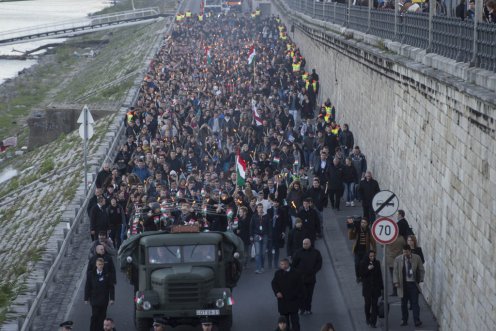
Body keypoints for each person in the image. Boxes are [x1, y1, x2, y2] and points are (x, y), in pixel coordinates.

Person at [393, 245, 425, 327]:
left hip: (413, 284)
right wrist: (396, 282)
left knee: (415, 303)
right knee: (404, 303)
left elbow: (421, 269)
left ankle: (417, 320)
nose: (404, 254)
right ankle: (404, 319)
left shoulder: (417, 258)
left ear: (409, 251)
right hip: (403, 284)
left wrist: (421, 279)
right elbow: (395, 271)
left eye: (406, 252)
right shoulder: (398, 259)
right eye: (403, 252)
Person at [271, 258, 304, 331]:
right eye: (281, 264)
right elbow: (274, 283)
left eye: (284, 264)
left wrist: (295, 296)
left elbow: (300, 286)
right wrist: (277, 292)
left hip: (293, 302)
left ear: (288, 264)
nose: (283, 266)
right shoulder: (278, 273)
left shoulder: (296, 273)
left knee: (295, 322)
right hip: (282, 302)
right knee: (284, 323)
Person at [291, 238, 322, 315]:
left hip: (311, 277)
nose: (304, 245)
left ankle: (308, 309)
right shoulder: (298, 252)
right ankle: (301, 309)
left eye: (306, 244)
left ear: (310, 244)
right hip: (300, 278)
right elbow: (294, 264)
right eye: (303, 244)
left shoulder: (316, 252)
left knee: (309, 295)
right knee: (301, 295)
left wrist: (314, 271)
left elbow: (319, 263)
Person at [84, 258, 115, 331]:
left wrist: (112, 298)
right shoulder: (91, 274)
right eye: (99, 264)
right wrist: (86, 298)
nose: (100, 266)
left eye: (101, 264)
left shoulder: (107, 274)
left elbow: (111, 287)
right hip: (94, 299)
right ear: (96, 265)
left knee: (102, 317)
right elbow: (87, 286)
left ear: (103, 265)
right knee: (95, 316)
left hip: (104, 299)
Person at [347, 217, 376, 283]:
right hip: (357, 251)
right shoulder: (357, 229)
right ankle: (358, 276)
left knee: (364, 264)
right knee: (357, 264)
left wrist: (374, 253)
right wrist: (351, 228)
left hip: (365, 251)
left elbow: (373, 243)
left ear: (367, 224)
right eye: (362, 222)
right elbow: (350, 237)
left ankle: (363, 276)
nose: (362, 224)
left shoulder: (368, 231)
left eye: (364, 223)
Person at [359, 250, 383, 328]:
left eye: (373, 256)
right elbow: (361, 275)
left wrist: (382, 287)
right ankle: (367, 317)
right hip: (367, 288)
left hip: (375, 288)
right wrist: (368, 269)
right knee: (368, 304)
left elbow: (380, 276)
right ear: (368, 256)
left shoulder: (377, 263)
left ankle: (373, 322)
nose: (372, 258)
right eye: (370, 256)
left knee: (375, 305)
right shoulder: (363, 263)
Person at [250, 203, 270, 273]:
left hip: (264, 236)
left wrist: (269, 235)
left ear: (263, 208)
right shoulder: (254, 216)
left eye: (261, 207)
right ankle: (258, 268)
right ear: (257, 209)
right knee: (258, 253)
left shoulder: (266, 216)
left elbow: (269, 226)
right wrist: (251, 236)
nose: (260, 209)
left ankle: (262, 266)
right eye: (259, 207)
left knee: (263, 253)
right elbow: (251, 226)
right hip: (256, 235)